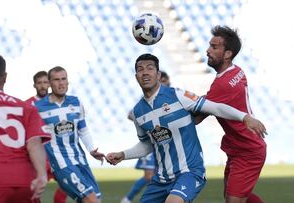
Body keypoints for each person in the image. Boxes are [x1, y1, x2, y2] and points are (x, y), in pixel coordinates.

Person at [106, 53, 266, 203]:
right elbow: (147, 144)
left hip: (189, 172)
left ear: (158, 75)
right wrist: (123, 154)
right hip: (161, 179)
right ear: (136, 77)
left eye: (150, 68)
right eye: (140, 69)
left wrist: (244, 117)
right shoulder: (138, 112)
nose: (145, 73)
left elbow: (215, 107)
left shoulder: (178, 96)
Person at [196, 25, 268, 203]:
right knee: (234, 196)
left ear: (228, 54)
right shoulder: (237, 71)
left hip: (248, 150)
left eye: (214, 47)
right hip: (239, 146)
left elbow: (196, 118)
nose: (207, 50)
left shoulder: (222, 85)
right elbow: (213, 100)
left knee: (233, 200)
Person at [34, 66, 105, 203]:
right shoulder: (38, 108)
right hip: (61, 164)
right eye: (56, 80)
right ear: (49, 83)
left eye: (63, 79)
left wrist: (91, 149)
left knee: (96, 199)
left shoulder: (76, 102)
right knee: (90, 200)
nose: (61, 83)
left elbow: (83, 129)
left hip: (80, 160)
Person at [0, 52, 50, 202]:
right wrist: (42, 174)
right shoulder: (26, 107)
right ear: (5, 76)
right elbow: (34, 143)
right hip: (25, 181)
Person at [121, 70, 171, 203]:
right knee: (149, 176)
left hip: (166, 143)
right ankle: (128, 199)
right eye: (163, 82)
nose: (165, 85)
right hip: (150, 142)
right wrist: (145, 123)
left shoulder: (171, 99)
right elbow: (131, 114)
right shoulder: (147, 101)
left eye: (167, 82)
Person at [25, 70, 68, 203]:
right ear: (34, 85)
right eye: (39, 83)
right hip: (38, 155)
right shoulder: (27, 105)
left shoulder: (58, 102)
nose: (43, 86)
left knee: (66, 186)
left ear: (49, 83)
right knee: (34, 194)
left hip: (56, 153)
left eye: (45, 82)